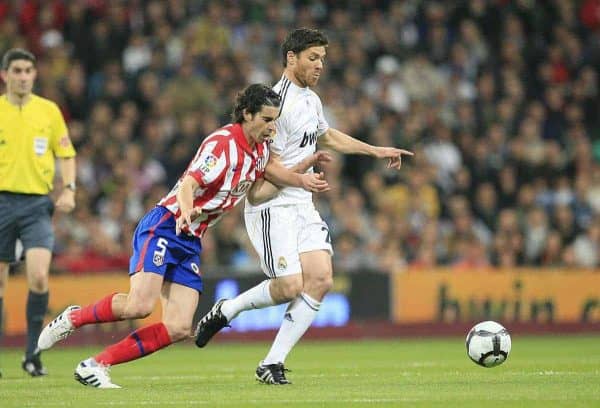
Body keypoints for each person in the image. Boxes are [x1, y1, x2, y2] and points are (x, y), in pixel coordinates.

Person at [36, 83, 330, 388]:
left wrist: (302, 175)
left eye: (275, 120)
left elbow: (270, 179)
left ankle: (95, 365)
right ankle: (73, 319)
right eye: (267, 120)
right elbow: (190, 183)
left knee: (178, 327)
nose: (273, 127)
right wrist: (187, 211)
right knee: (140, 305)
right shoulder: (222, 144)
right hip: (166, 224)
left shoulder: (260, 150)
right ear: (247, 114)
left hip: (190, 240)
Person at [195, 28, 413, 384]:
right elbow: (265, 166)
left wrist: (376, 150)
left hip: (302, 201)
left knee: (322, 279)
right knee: (289, 287)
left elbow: (326, 135)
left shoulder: (311, 99)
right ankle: (227, 309)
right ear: (291, 58)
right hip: (272, 205)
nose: (319, 66)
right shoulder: (274, 105)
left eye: (323, 59)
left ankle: (271, 363)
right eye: (313, 58)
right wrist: (301, 178)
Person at [0, 48, 77, 377]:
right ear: (5, 75)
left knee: (40, 277)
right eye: (16, 70)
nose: (22, 76)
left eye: (28, 70)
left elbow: (66, 153)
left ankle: (32, 354)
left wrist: (70, 189)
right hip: (1, 201)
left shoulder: (48, 111)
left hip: (36, 204)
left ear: (34, 75)